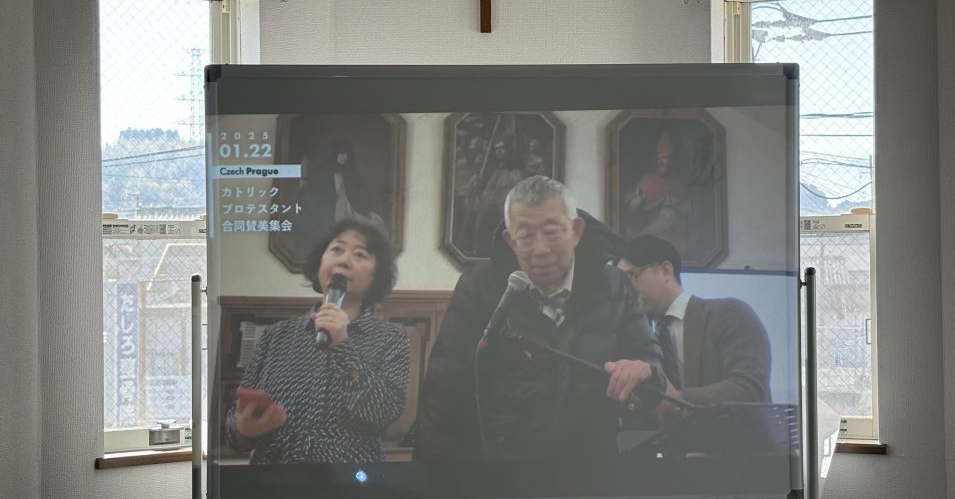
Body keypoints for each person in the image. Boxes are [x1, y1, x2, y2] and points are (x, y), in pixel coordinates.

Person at [415, 175, 664, 460]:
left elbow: (652, 371)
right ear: (510, 240)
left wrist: (644, 369)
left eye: (552, 232)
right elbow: (444, 391)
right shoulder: (480, 287)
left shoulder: (615, 286)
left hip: (592, 464)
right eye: (525, 236)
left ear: (576, 231)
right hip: (502, 465)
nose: (541, 249)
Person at [225, 218, 410, 464]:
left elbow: (383, 413)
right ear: (318, 266)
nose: (344, 260)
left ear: (376, 277)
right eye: (336, 249)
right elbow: (236, 418)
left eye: (360, 254)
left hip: (348, 476)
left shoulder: (391, 338)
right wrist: (243, 429)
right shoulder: (276, 336)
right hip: (273, 472)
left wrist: (343, 346)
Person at [613, 235, 771, 414]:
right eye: (620, 284)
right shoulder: (642, 343)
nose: (625, 291)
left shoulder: (730, 313)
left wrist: (677, 400)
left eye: (630, 276)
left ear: (666, 271)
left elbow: (750, 389)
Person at [623, 130, 690, 255]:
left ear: (671, 160)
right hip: (650, 236)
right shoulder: (647, 180)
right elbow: (636, 209)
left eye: (664, 157)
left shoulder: (677, 184)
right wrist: (635, 203)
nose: (660, 161)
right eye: (658, 158)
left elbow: (685, 210)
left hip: (673, 239)